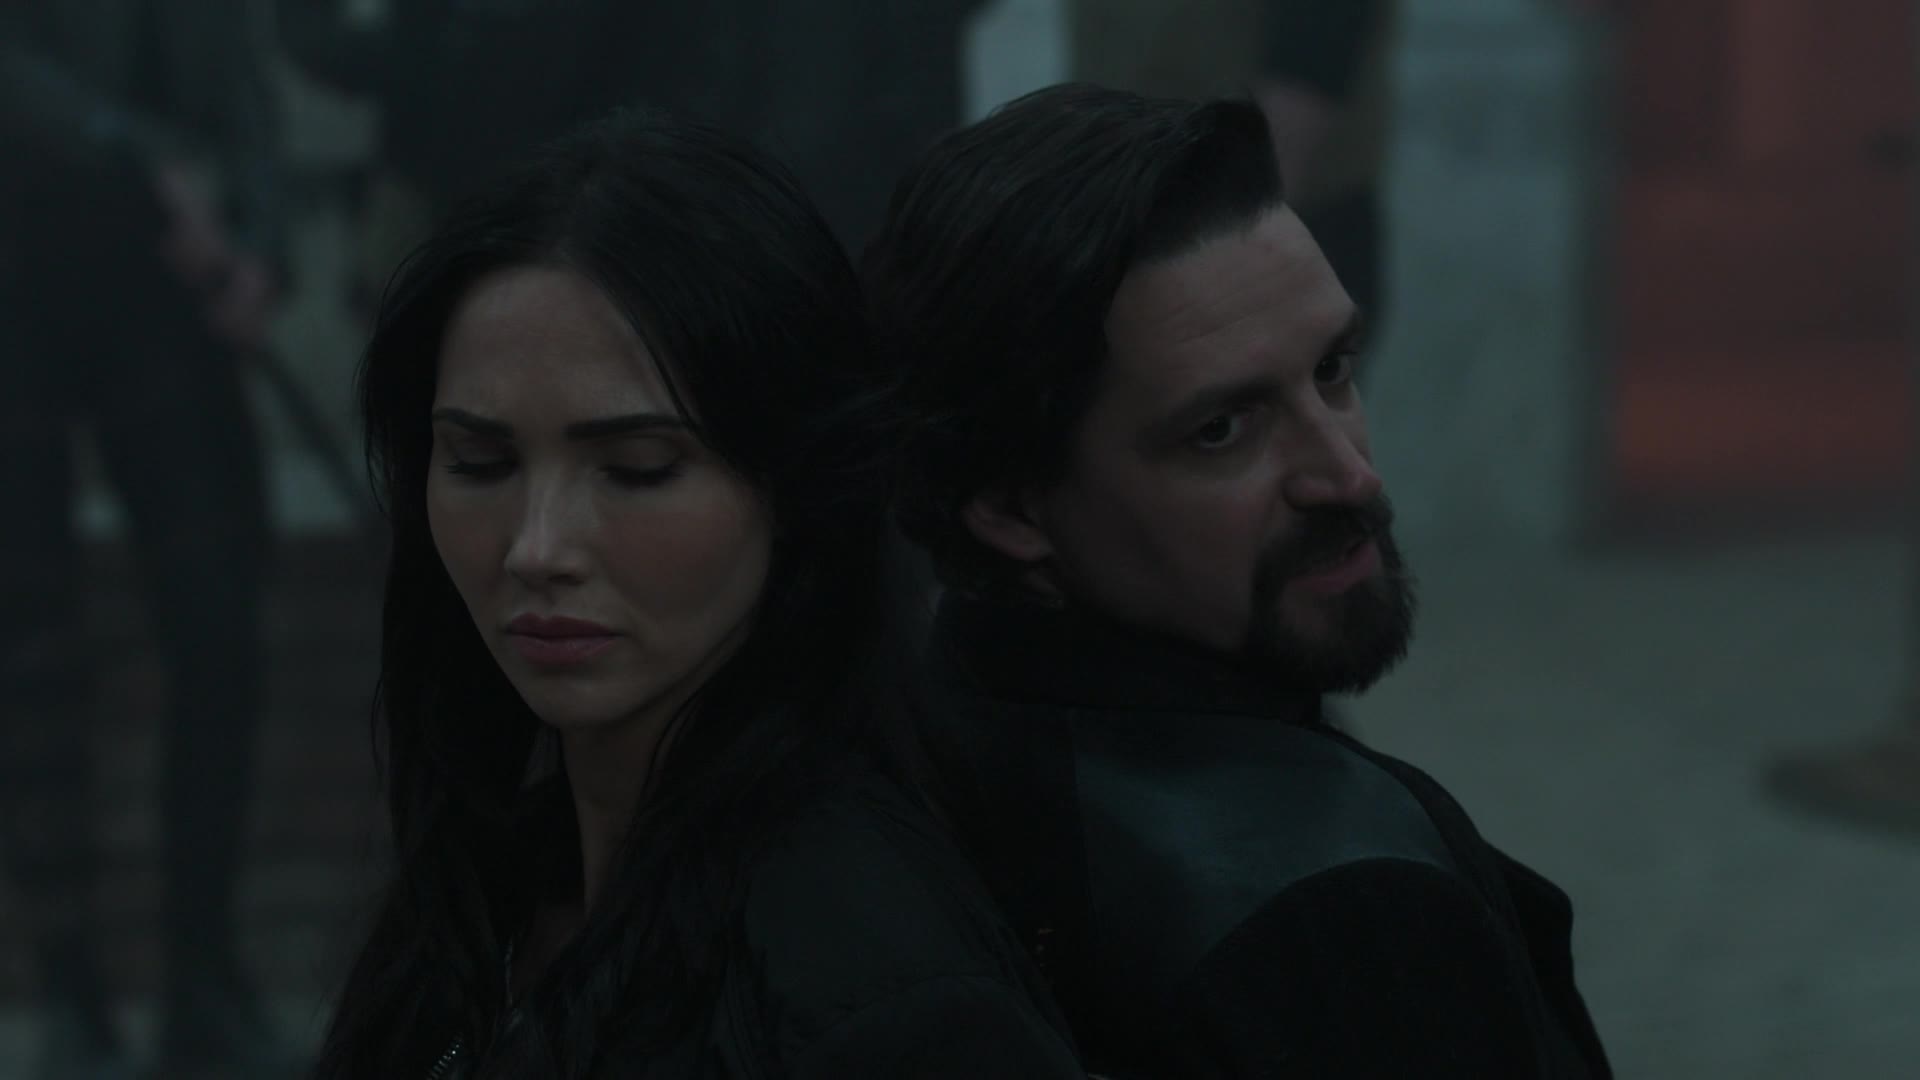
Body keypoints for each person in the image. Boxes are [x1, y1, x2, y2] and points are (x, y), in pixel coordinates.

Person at [309, 109, 1084, 1079]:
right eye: (479, 461)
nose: (536, 548)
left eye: (636, 469)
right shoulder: (493, 887)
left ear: (795, 487)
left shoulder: (875, 983)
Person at [863, 83, 1613, 1077]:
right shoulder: (1340, 914)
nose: (1348, 475)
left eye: (1334, 370)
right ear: (1011, 510)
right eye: (1222, 430)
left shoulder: (918, 731)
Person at [0, 3, 289, 1076]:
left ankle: (203, 979)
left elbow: (244, 87)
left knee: (220, 626)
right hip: (17, 273)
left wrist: (258, 251)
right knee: (29, 654)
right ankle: (70, 988)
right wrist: (139, 155)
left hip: (162, 288)